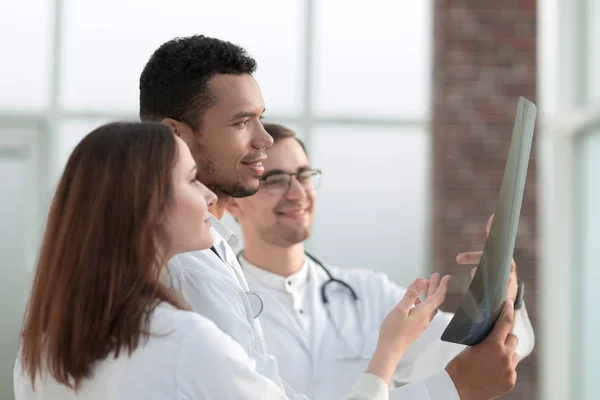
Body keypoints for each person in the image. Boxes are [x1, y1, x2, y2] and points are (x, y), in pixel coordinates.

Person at [139, 35, 523, 399]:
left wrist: (497, 302)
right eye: (242, 122)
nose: (264, 140)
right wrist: (440, 380)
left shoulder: (215, 257)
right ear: (175, 135)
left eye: (304, 176)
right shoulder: (183, 269)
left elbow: (470, 351)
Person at [12, 121, 450, 400]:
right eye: (191, 180)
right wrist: (389, 351)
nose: (209, 195)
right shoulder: (184, 341)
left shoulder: (43, 350)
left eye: (303, 176)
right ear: (147, 206)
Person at [226, 122, 536, 400]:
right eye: (275, 180)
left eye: (304, 176)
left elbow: (475, 359)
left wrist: (499, 297)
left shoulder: (367, 293)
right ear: (234, 203)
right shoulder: (224, 303)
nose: (297, 193)